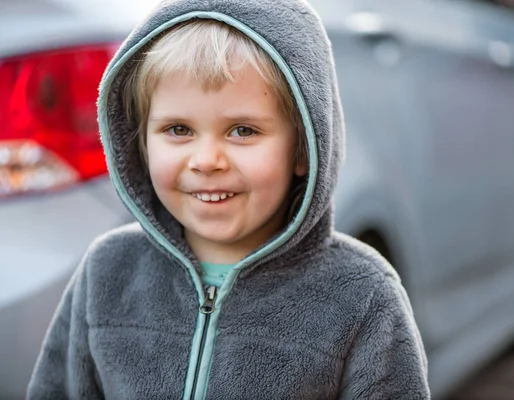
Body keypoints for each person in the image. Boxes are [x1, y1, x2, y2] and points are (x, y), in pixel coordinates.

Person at [27, 0, 430, 398]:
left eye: (243, 131)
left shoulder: (360, 296)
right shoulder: (108, 271)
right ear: (143, 143)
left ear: (304, 148)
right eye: (179, 129)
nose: (206, 161)